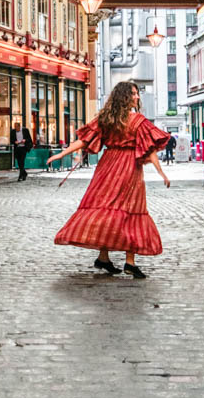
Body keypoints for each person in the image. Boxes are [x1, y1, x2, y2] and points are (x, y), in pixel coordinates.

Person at [48, 81, 170, 279]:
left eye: (137, 94)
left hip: (107, 167)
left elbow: (84, 140)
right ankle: (129, 262)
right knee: (129, 210)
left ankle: (104, 257)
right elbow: (151, 149)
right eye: (133, 94)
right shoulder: (138, 121)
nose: (137, 97)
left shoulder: (106, 118)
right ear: (124, 97)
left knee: (106, 209)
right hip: (129, 167)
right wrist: (160, 172)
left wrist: (63, 154)